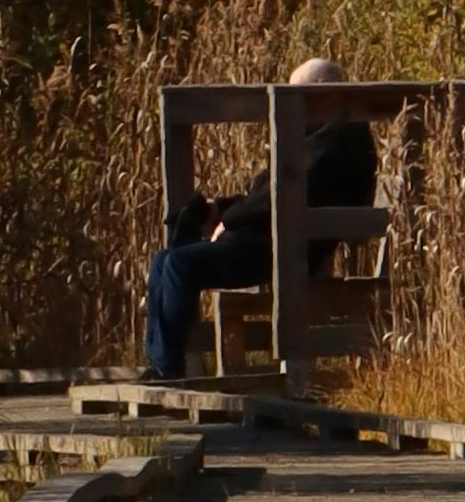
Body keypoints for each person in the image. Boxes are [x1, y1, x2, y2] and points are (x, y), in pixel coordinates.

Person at [140, 49, 381, 381]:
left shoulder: (343, 139)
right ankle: (158, 362)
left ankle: (167, 367)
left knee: (181, 264)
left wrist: (231, 219)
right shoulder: (317, 135)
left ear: (323, 89)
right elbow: (268, 193)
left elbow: (290, 191)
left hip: (283, 250)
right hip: (265, 237)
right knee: (163, 259)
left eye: (300, 94)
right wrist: (220, 209)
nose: (299, 104)